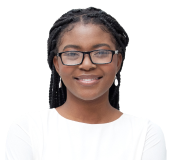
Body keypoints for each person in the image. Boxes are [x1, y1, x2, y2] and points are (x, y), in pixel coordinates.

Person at [5, 7, 166, 160]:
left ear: (118, 62)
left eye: (101, 52)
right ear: (57, 64)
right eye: (72, 53)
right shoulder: (27, 130)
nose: (87, 64)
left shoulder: (146, 134)